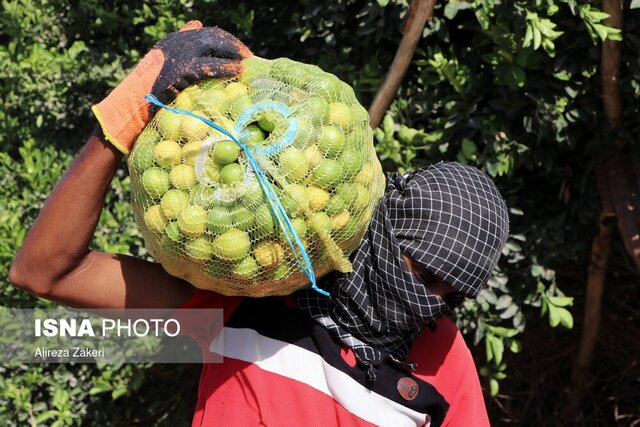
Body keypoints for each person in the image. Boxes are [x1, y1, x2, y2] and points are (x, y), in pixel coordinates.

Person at [9, 21, 509, 427]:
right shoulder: (251, 297)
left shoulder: (446, 360)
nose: (431, 301)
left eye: (452, 294)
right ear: (387, 225)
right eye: (421, 272)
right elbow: (47, 272)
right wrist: (117, 124)